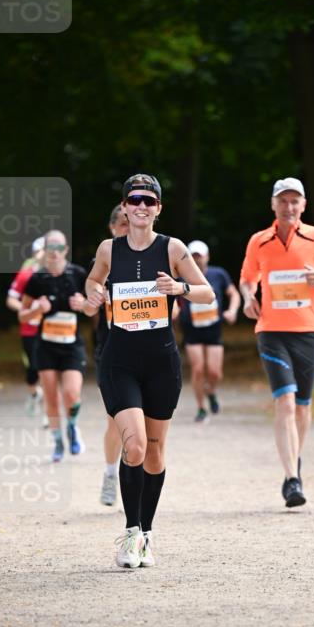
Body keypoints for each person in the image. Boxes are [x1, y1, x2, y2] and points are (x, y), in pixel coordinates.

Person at [84, 174, 215, 569]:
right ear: (124, 206)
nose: (141, 206)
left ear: (158, 208)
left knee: (155, 452)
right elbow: (93, 279)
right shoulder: (109, 248)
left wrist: (180, 289)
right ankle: (130, 532)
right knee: (136, 446)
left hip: (161, 362)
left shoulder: (172, 248)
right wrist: (94, 291)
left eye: (149, 201)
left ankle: (147, 533)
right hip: (119, 360)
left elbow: (206, 291)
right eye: (134, 200)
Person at [240, 177, 314, 508]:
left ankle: (294, 460)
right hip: (272, 332)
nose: (289, 207)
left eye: (295, 201)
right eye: (283, 201)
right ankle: (292, 479)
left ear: (303, 205)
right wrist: (248, 297)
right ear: (273, 205)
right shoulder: (259, 242)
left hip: (309, 332)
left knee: (302, 406)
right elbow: (248, 278)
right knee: (285, 402)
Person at [18, 230, 89, 462]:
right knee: (51, 397)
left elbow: (95, 307)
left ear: (66, 250)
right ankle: (58, 441)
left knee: (71, 394)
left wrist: (84, 304)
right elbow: (23, 316)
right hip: (46, 346)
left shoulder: (78, 274)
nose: (55, 253)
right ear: (45, 250)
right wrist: (37, 310)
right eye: (51, 248)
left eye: (59, 248)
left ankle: (72, 427)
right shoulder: (37, 279)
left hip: (71, 345)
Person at [176, 239, 240, 422]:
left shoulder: (218, 274)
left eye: (200, 257)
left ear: (207, 257)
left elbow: (233, 293)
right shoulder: (181, 277)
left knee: (214, 372)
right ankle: (201, 407)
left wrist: (232, 311)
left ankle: (211, 391)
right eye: (193, 257)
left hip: (213, 329)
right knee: (197, 370)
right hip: (192, 330)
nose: (197, 260)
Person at [93, 205, 128, 506]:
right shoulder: (103, 262)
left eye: (131, 223)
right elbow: (87, 306)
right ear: (111, 228)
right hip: (111, 350)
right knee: (116, 421)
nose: (127, 228)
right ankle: (109, 473)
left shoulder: (154, 257)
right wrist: (94, 298)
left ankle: (133, 474)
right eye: (121, 223)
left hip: (149, 349)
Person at [6, 236, 46, 419]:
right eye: (42, 250)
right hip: (29, 330)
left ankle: (48, 412)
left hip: (51, 330)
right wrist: (26, 310)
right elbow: (11, 299)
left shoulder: (60, 275)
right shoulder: (26, 275)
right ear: (35, 254)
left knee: (49, 369)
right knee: (33, 369)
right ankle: (34, 394)